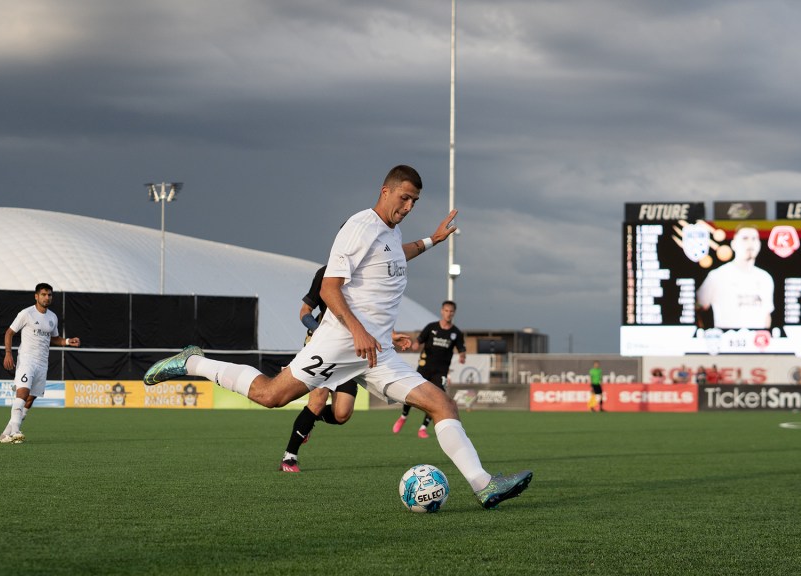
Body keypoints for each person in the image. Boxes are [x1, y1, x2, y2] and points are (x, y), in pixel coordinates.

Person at [144, 165, 532, 509]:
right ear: (385, 191)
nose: (409, 206)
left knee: (442, 404)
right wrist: (360, 329)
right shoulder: (360, 226)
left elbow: (398, 254)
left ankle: (484, 485)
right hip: (342, 341)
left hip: (375, 353)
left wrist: (432, 241)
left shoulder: (390, 233)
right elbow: (330, 288)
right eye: (404, 198)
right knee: (270, 395)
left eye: (414, 201)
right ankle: (191, 360)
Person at [280, 264, 412, 472]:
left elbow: (376, 313)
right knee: (318, 400)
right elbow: (305, 311)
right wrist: (318, 330)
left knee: (342, 414)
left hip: (352, 350)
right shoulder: (326, 273)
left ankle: (310, 421)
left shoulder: (370, 272)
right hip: (325, 348)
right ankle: (289, 457)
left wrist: (391, 335)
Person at [0, 283, 80, 444]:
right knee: (22, 392)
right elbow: (9, 332)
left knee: (30, 399)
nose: (47, 297)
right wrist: (8, 353)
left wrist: (69, 341)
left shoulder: (52, 317)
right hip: (27, 359)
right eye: (43, 294)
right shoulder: (27, 313)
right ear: (36, 296)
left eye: (49, 295)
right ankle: (15, 430)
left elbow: (54, 338)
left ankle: (5, 434)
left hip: (42, 363)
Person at [393, 300, 465, 439]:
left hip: (441, 372)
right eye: (446, 310)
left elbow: (461, 349)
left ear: (454, 313)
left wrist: (462, 356)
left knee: (438, 400)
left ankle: (423, 428)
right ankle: (403, 416)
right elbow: (419, 340)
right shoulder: (431, 327)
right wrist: (414, 345)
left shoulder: (456, 333)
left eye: (451, 311)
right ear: (441, 311)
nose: (448, 313)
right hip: (424, 368)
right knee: (412, 393)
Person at [696, 226, 774, 329]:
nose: (750, 243)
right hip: (725, 340)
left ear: (759, 244)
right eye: (745, 238)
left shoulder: (765, 278)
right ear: (734, 244)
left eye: (754, 239)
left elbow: (766, 314)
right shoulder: (717, 275)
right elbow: (698, 306)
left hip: (756, 341)